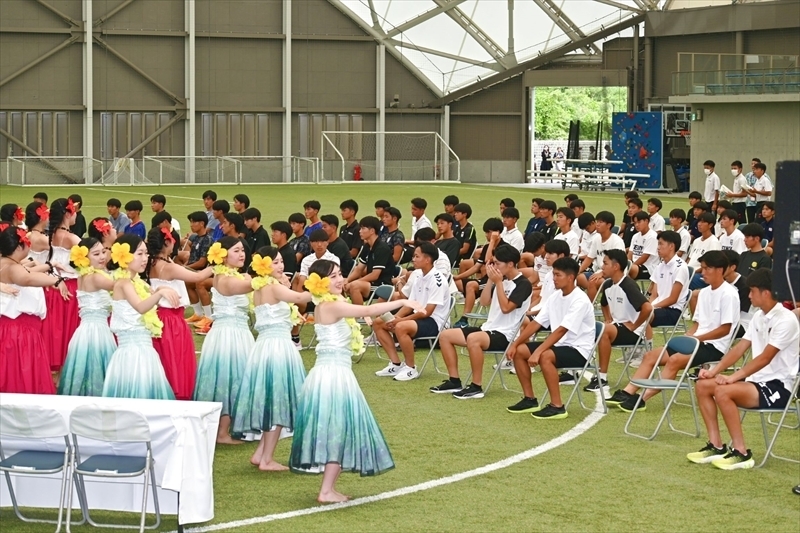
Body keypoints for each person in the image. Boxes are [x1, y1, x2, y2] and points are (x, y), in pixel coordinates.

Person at [290, 260, 419, 502]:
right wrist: (402, 301)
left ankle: (329, 488)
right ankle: (326, 490)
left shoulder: (330, 302)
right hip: (333, 375)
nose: (340, 279)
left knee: (339, 429)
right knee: (338, 429)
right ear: (320, 282)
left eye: (340, 274)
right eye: (333, 276)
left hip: (334, 371)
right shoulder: (329, 305)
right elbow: (368, 311)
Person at [687, 269, 799, 470]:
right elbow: (739, 348)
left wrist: (734, 377)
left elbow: (765, 358)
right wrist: (714, 371)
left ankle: (741, 452)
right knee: (703, 385)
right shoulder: (758, 316)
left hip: (779, 387)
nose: (749, 296)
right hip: (755, 383)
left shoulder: (786, 320)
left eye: (752, 291)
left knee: (723, 391)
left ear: (766, 293)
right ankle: (716, 446)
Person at [608, 251, 740, 412]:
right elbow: (696, 324)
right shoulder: (704, 293)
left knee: (674, 360)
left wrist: (696, 339)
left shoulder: (729, 294)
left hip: (714, 346)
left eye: (707, 269)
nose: (703, 273)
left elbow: (725, 329)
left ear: (719, 270)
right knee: (650, 356)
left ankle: (641, 398)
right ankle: (627, 392)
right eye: (703, 268)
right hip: (697, 341)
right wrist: (689, 336)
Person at [231, 247, 312, 471]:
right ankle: (266, 458)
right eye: (275, 263)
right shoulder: (272, 286)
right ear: (264, 266)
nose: (281, 266)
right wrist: (321, 287)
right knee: (278, 401)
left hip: (266, 346)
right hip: (277, 347)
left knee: (273, 399)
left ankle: (261, 454)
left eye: (281, 262)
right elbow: (299, 297)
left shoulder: (260, 286)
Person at [432, 244, 532, 398]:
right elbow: (484, 302)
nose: (494, 266)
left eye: (498, 263)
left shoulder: (523, 284)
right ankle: (454, 381)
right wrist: (492, 281)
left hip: (506, 335)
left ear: (510, 264)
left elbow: (506, 308)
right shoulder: (501, 280)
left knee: (473, 339)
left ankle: (476, 386)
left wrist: (498, 282)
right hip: (488, 329)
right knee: (445, 335)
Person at [506, 257, 596, 419]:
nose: (553, 278)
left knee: (546, 356)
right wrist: (515, 342)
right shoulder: (555, 297)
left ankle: (557, 406)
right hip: (559, 346)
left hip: (580, 350)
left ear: (570, 277)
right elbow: (537, 323)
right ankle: (530, 399)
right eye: (553, 274)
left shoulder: (580, 299)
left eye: (557, 275)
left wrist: (539, 351)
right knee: (520, 351)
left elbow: (562, 330)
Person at [193, 237, 255, 444]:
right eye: (236, 250)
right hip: (231, 335)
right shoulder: (227, 279)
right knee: (230, 379)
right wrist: (269, 277)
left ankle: (223, 428)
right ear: (223, 254)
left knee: (228, 378)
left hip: (231, 332)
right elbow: (250, 286)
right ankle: (222, 432)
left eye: (242, 250)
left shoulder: (230, 275)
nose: (241, 254)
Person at [102, 234, 178, 400]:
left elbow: (146, 300)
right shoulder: (123, 283)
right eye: (140, 254)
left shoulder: (138, 282)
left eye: (146, 253)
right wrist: (160, 294)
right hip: (132, 352)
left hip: (144, 348)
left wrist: (159, 290)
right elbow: (141, 307)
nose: (146, 258)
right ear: (126, 256)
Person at [146, 228, 213, 401]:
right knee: (175, 360)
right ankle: (177, 393)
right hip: (171, 320)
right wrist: (217, 263)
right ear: (166, 243)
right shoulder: (168, 267)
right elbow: (199, 277)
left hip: (159, 317)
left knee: (164, 358)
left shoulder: (151, 262)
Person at [0, 224, 64, 394]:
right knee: (20, 378)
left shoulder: (7, 264)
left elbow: (28, 272)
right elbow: (26, 278)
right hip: (19, 333)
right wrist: (55, 281)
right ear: (19, 246)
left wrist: (49, 269)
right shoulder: (12, 268)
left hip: (16, 331)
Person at [373, 243, 450, 381]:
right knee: (379, 322)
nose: (413, 259)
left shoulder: (438, 279)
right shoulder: (419, 276)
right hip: (420, 317)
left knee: (401, 326)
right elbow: (410, 305)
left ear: (427, 259)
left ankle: (410, 368)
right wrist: (396, 317)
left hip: (436, 322)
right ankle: (396, 364)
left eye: (416, 256)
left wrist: (400, 321)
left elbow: (427, 312)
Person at [57, 237, 116, 396]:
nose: (102, 257)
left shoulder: (83, 276)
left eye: (103, 251)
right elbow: (121, 286)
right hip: (97, 333)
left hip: (85, 331)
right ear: (84, 258)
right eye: (96, 254)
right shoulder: (96, 277)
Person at [593, 249, 653, 391]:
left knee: (604, 331)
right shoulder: (608, 284)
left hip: (635, 333)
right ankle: (573, 372)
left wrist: (634, 326)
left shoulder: (628, 284)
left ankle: (602, 377)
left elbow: (648, 308)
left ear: (616, 266)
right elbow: (603, 304)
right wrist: (608, 319)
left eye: (605, 263)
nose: (602, 267)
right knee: (594, 328)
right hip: (617, 326)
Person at [44, 198, 81, 373]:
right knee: (68, 328)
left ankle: (55, 368)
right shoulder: (72, 238)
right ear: (67, 214)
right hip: (69, 288)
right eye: (73, 211)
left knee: (56, 328)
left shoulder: (51, 235)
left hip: (52, 286)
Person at [345, 216, 395, 305]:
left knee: (354, 286)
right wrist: (347, 280)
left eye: (363, 228)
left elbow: (375, 275)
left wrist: (356, 282)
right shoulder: (367, 246)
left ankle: (359, 315)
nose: (360, 231)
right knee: (341, 284)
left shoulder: (382, 248)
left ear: (372, 231)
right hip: (370, 284)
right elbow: (358, 269)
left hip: (382, 285)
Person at [577, 211, 625, 303]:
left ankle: (588, 307)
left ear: (609, 225)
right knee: (576, 278)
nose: (597, 224)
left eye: (601, 222)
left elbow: (618, 264)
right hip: (597, 272)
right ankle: (586, 302)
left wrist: (602, 273)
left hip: (613, 275)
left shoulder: (616, 241)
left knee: (593, 282)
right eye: (597, 222)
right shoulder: (596, 239)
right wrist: (578, 271)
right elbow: (589, 258)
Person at [184, 212, 215, 327]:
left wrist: (185, 268)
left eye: (194, 222)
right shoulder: (196, 238)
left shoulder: (207, 239)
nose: (191, 225)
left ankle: (208, 317)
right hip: (194, 270)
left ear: (202, 224)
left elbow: (202, 262)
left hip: (204, 272)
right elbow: (192, 258)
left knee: (197, 283)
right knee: (186, 283)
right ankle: (198, 313)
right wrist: (184, 267)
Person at [687, 212, 721, 290]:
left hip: (701, 274)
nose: (699, 224)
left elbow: (711, 264)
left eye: (703, 222)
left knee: (686, 280)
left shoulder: (714, 242)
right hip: (690, 271)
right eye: (699, 221)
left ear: (710, 225)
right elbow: (689, 258)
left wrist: (693, 272)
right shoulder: (696, 241)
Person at [627, 212, 659, 280]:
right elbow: (630, 253)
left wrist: (629, 267)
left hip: (648, 267)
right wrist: (627, 264)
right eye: (635, 223)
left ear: (647, 221)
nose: (636, 225)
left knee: (626, 271)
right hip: (635, 265)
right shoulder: (635, 236)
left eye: (639, 222)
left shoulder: (652, 236)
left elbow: (645, 257)